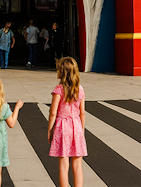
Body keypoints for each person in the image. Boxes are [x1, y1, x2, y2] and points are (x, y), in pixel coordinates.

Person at [48, 57, 87, 187]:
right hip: (76, 125)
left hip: (62, 127)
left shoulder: (59, 89)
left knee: (63, 166)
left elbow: (53, 112)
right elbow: (82, 112)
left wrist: (49, 130)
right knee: (77, 165)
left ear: (62, 73)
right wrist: (81, 130)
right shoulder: (80, 89)